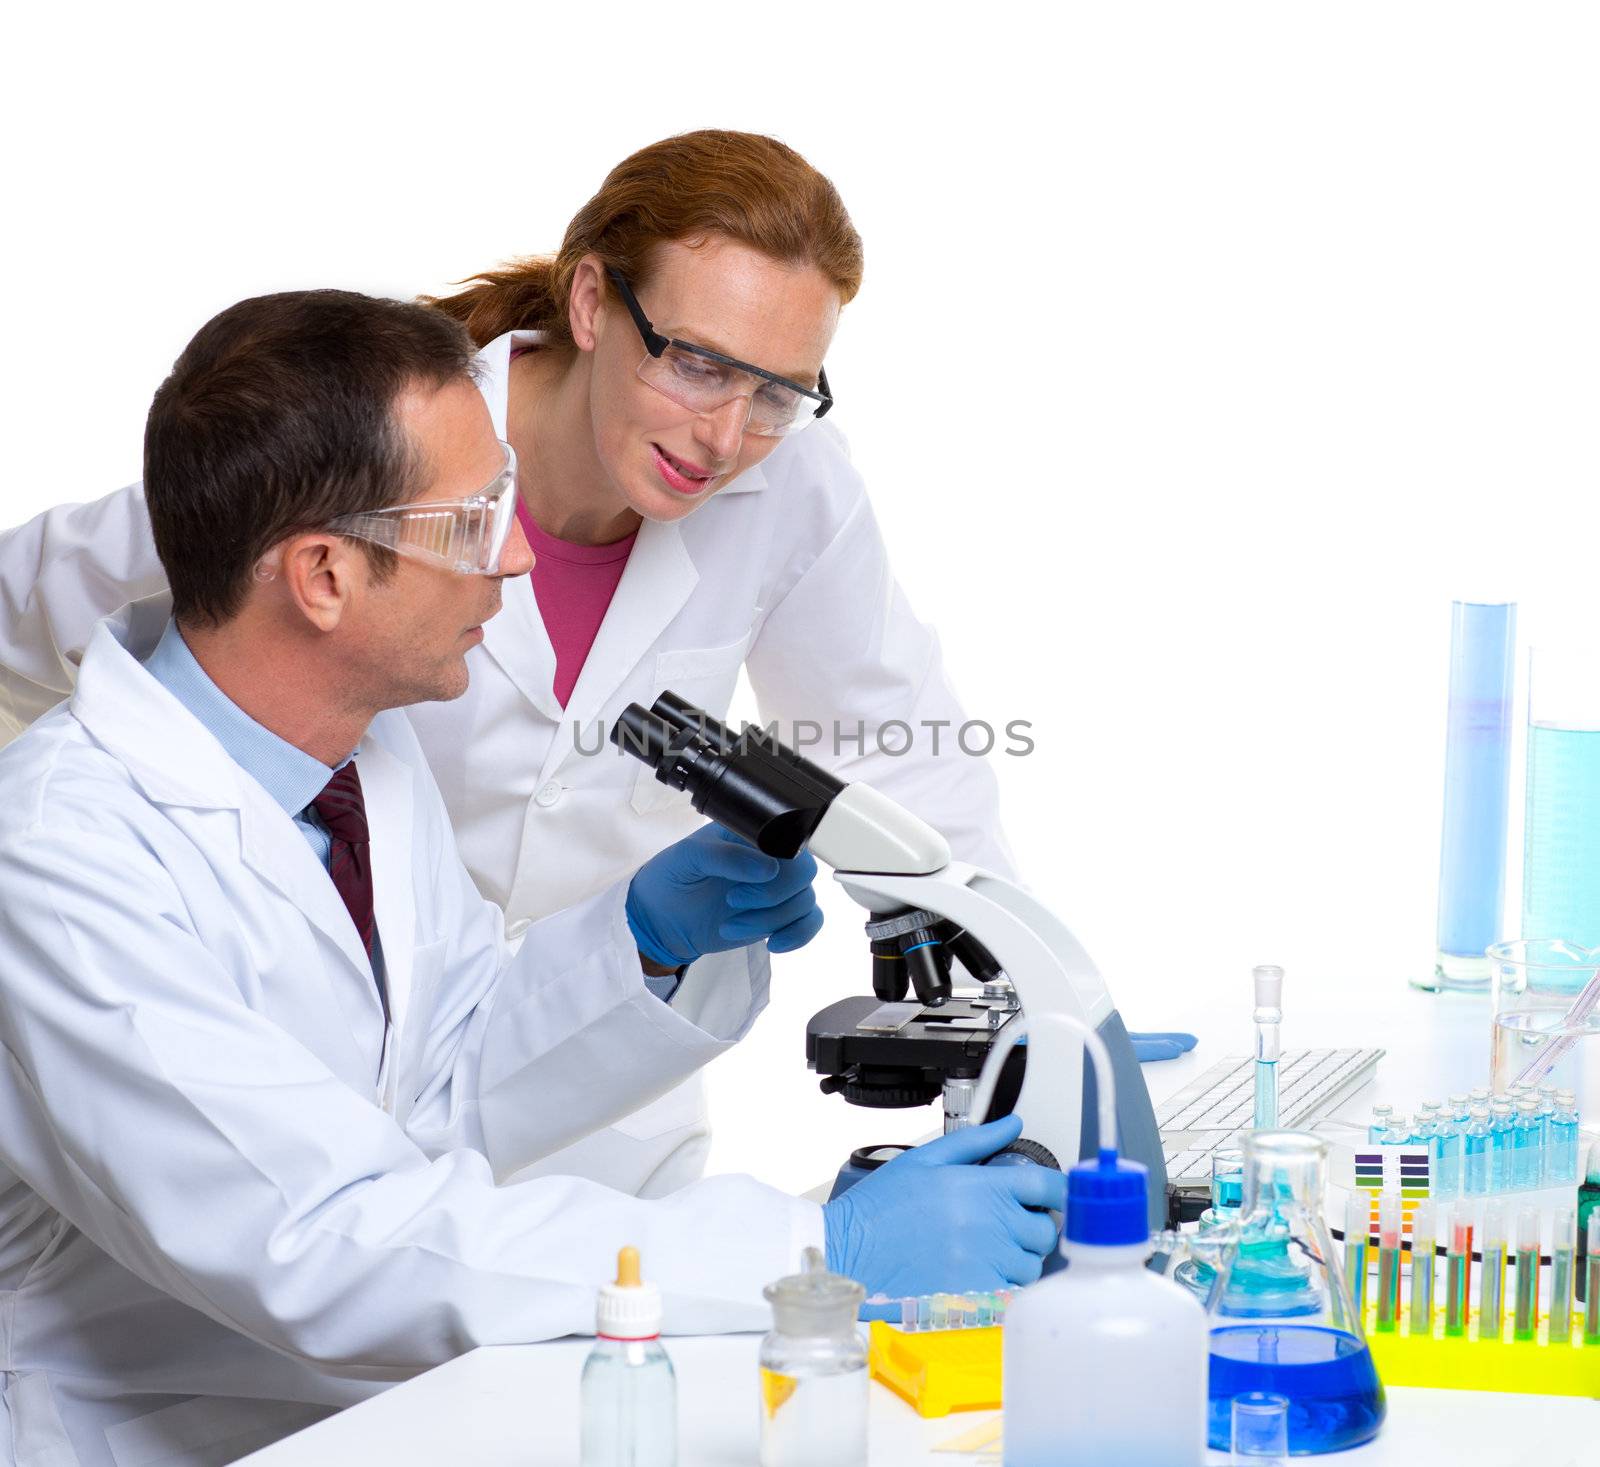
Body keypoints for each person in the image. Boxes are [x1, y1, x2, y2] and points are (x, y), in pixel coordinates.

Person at [0, 131, 1192, 1198]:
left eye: (778, 391)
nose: (725, 436)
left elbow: (893, 732)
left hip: (597, 1087)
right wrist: (73, 886)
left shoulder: (787, 483)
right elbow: (36, 622)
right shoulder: (371, 449)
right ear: (588, 302)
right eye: (697, 362)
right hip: (317, 1077)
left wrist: (1037, 999)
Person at [0, 290, 1066, 1467]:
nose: (515, 554)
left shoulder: (362, 753)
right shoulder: (61, 859)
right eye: (469, 521)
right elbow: (318, 1233)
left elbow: (438, 1084)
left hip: (381, 1405)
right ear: (321, 578)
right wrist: (817, 1251)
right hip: (153, 1429)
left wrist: (644, 945)